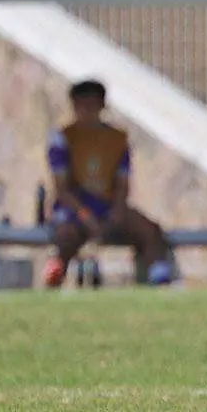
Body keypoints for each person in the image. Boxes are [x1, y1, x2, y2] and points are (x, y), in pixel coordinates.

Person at [43, 80, 175, 288]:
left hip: (106, 205)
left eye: (92, 104)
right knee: (66, 235)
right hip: (74, 207)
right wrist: (85, 216)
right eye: (81, 105)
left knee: (149, 230)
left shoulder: (116, 139)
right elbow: (62, 188)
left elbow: (123, 182)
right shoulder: (63, 138)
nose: (86, 111)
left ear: (101, 106)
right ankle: (54, 274)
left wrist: (117, 210)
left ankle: (161, 279)